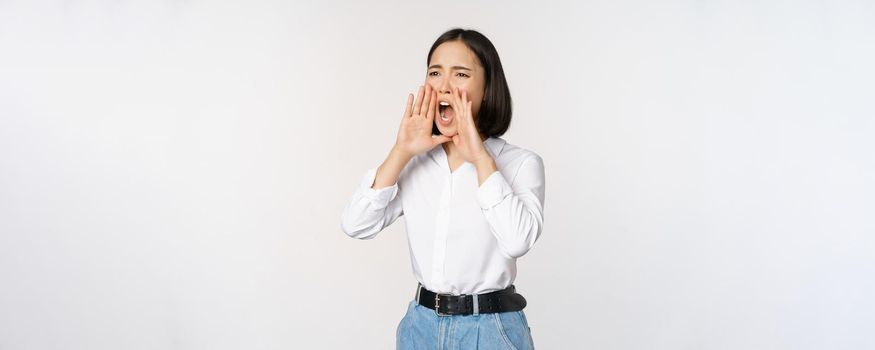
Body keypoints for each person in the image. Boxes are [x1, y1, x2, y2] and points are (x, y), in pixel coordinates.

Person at [341, 28, 545, 349]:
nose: (444, 85)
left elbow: (518, 240)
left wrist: (479, 157)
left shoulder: (521, 163)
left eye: (460, 74)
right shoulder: (416, 162)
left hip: (491, 330)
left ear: (488, 88)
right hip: (420, 326)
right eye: (435, 72)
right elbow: (356, 224)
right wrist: (401, 151)